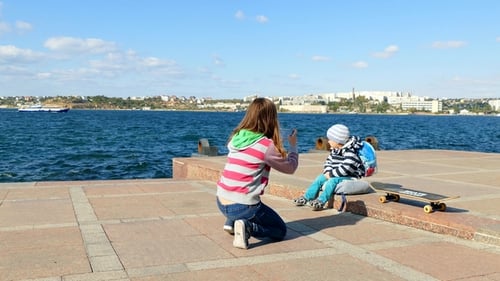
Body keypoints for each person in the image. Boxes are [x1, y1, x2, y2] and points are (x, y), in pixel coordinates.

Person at [216, 97, 299, 249]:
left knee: (239, 196)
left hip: (221, 201)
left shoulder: (237, 137)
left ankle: (231, 221)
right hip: (242, 206)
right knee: (280, 230)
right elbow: (290, 168)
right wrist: (293, 146)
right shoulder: (265, 146)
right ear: (271, 119)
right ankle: (247, 227)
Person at [293, 124, 365, 211]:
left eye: (330, 139)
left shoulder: (350, 152)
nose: (328, 141)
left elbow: (347, 168)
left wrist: (331, 175)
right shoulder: (334, 150)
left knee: (332, 181)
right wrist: (327, 172)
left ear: (338, 141)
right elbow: (328, 162)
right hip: (335, 174)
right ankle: (307, 197)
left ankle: (321, 201)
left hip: (349, 176)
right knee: (320, 178)